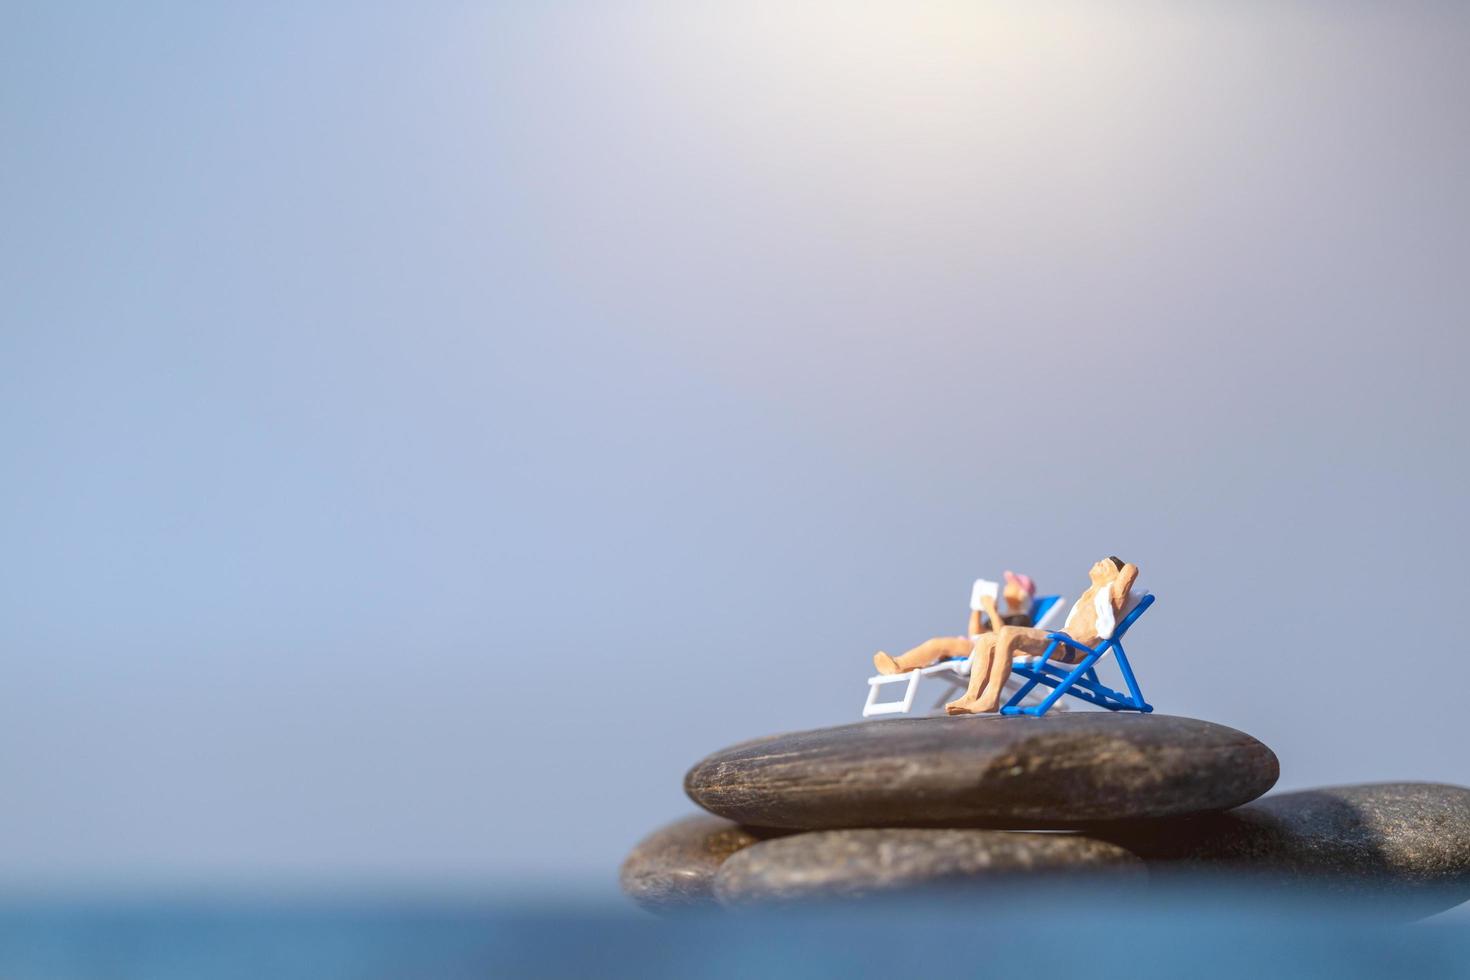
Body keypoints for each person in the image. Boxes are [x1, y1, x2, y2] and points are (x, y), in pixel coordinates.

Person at [945, 556, 1140, 715]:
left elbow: (1131, 569)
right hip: (1058, 639)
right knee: (987, 640)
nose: (1097, 563)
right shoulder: (1090, 594)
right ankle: (972, 696)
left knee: (1007, 633)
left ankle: (991, 698)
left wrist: (1118, 569)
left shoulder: (1112, 595)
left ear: (1113, 575)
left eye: (1104, 563)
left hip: (1069, 647)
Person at [872, 571, 1038, 677]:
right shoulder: (1001, 615)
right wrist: (977, 609)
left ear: (1022, 594)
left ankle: (898, 664)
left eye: (1012, 585)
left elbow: (1004, 637)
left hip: (989, 649)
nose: (1007, 587)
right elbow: (975, 632)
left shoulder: (1022, 619)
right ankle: (903, 666)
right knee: (938, 647)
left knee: (938, 645)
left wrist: (991, 611)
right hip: (978, 644)